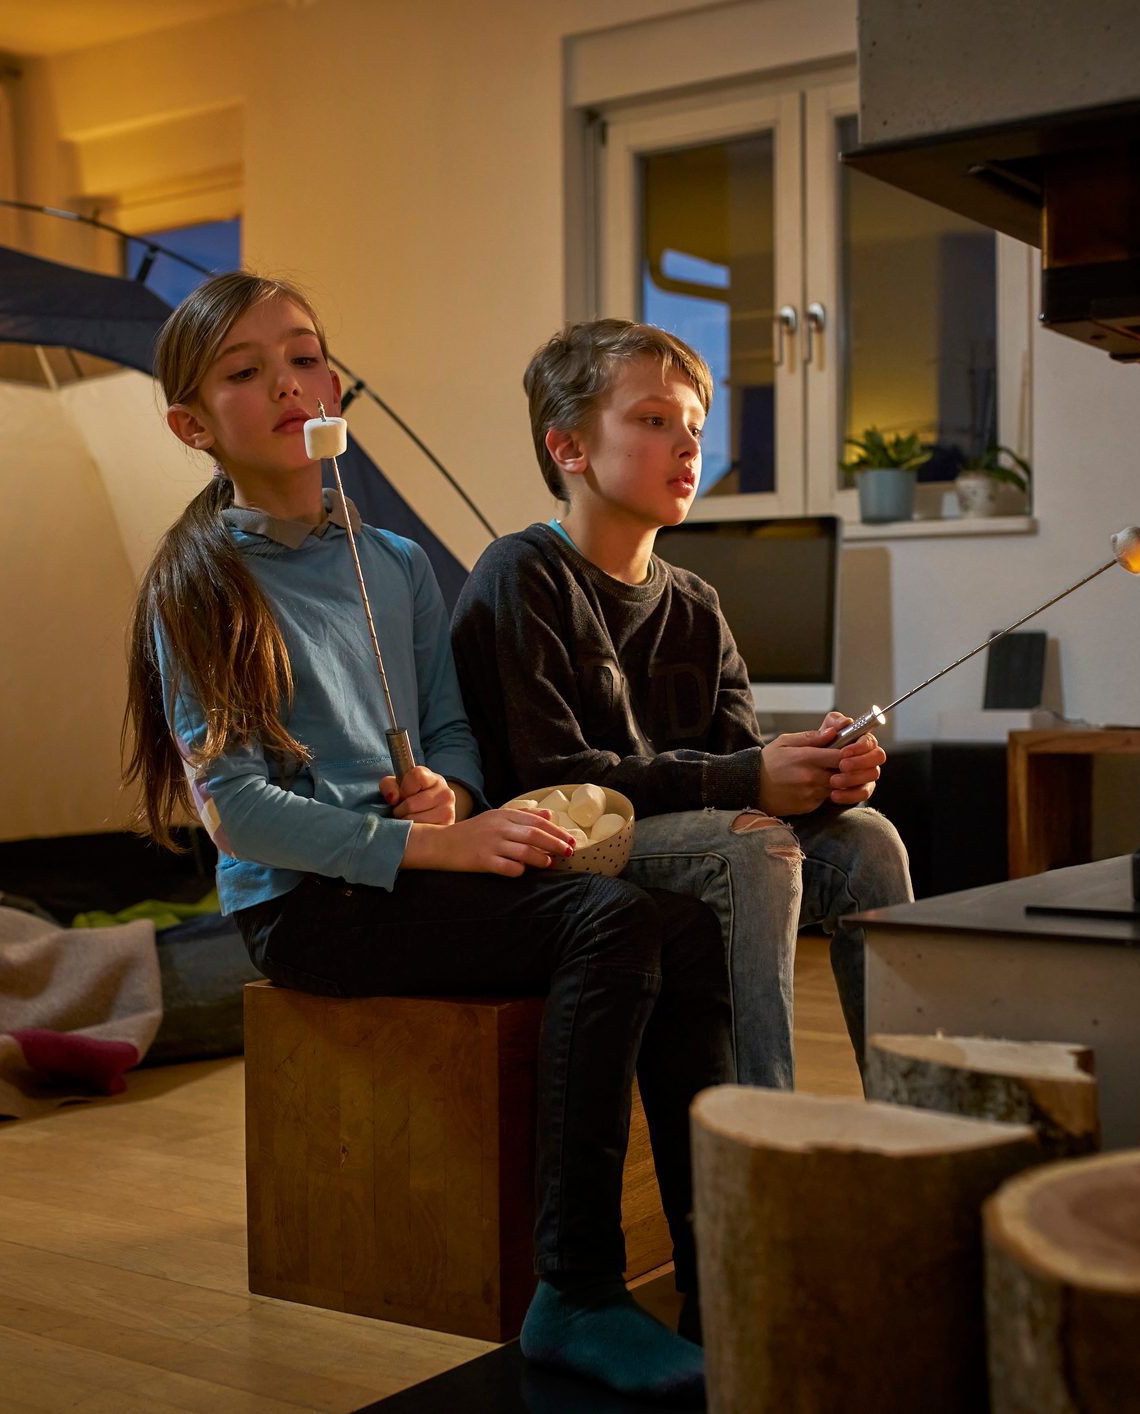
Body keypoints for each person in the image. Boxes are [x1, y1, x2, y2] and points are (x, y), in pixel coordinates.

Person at [123, 275, 729, 1401]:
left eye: (302, 357)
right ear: (191, 427)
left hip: (401, 873)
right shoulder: (200, 585)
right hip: (303, 905)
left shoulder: (394, 564)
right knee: (611, 921)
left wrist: (442, 793)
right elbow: (236, 810)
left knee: (683, 927)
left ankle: (713, 1261)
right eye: (245, 372)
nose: (287, 383)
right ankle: (576, 1291)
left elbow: (448, 731)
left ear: (335, 386)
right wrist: (430, 851)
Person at [449, 318, 914, 1092]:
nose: (689, 446)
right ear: (568, 448)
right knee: (752, 847)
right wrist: (748, 781)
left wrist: (816, 773)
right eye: (654, 421)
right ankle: (762, 1135)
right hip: (558, 852)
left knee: (869, 842)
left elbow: (735, 760)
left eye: (695, 427)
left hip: (682, 837)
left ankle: (916, 1119)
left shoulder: (696, 602)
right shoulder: (522, 573)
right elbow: (554, 776)